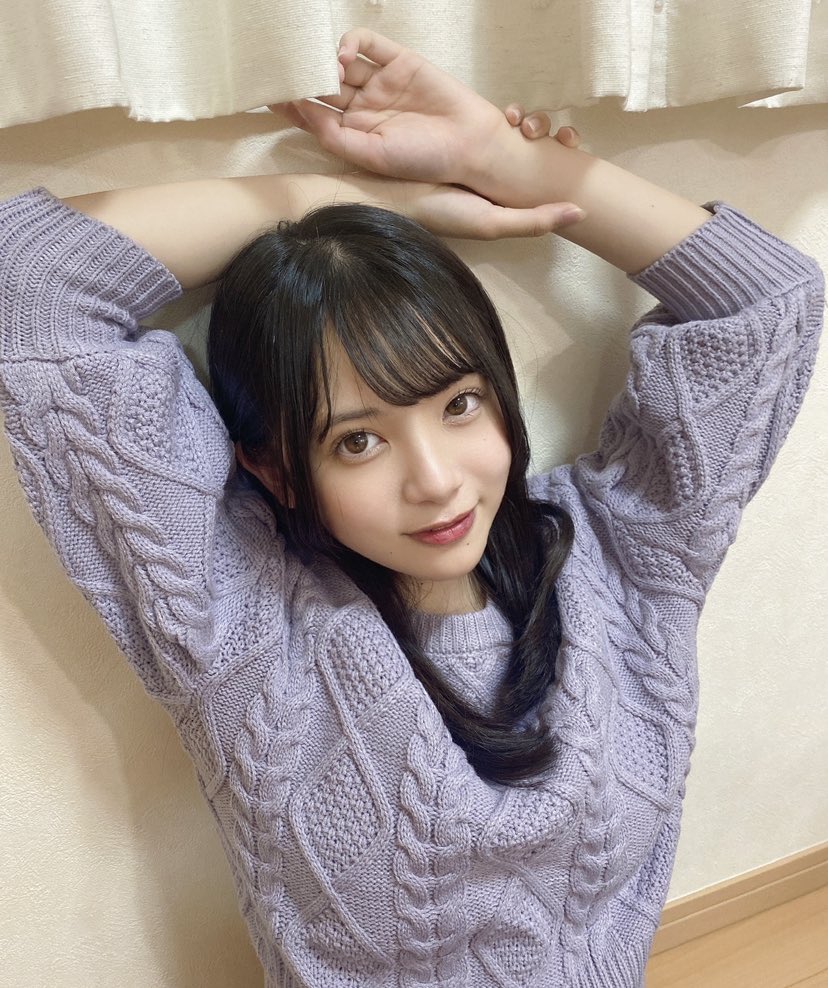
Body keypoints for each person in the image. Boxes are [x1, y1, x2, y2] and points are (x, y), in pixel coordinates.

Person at [0, 27, 822, 988]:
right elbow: (31, 284)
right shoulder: (241, 621)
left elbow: (768, 302)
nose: (435, 480)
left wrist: (508, 164)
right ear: (275, 470)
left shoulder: (623, 553)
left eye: (459, 405)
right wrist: (348, 201)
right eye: (357, 441)